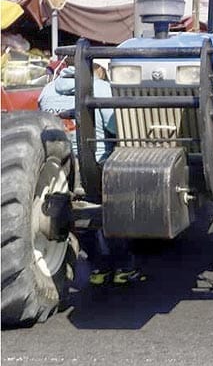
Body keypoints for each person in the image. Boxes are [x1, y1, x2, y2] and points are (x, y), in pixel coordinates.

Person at [38, 59, 144, 287]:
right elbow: (117, 129)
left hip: (60, 166)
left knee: (77, 218)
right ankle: (123, 268)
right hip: (96, 163)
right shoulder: (102, 89)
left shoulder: (47, 91)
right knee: (112, 214)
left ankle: (97, 266)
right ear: (97, 70)